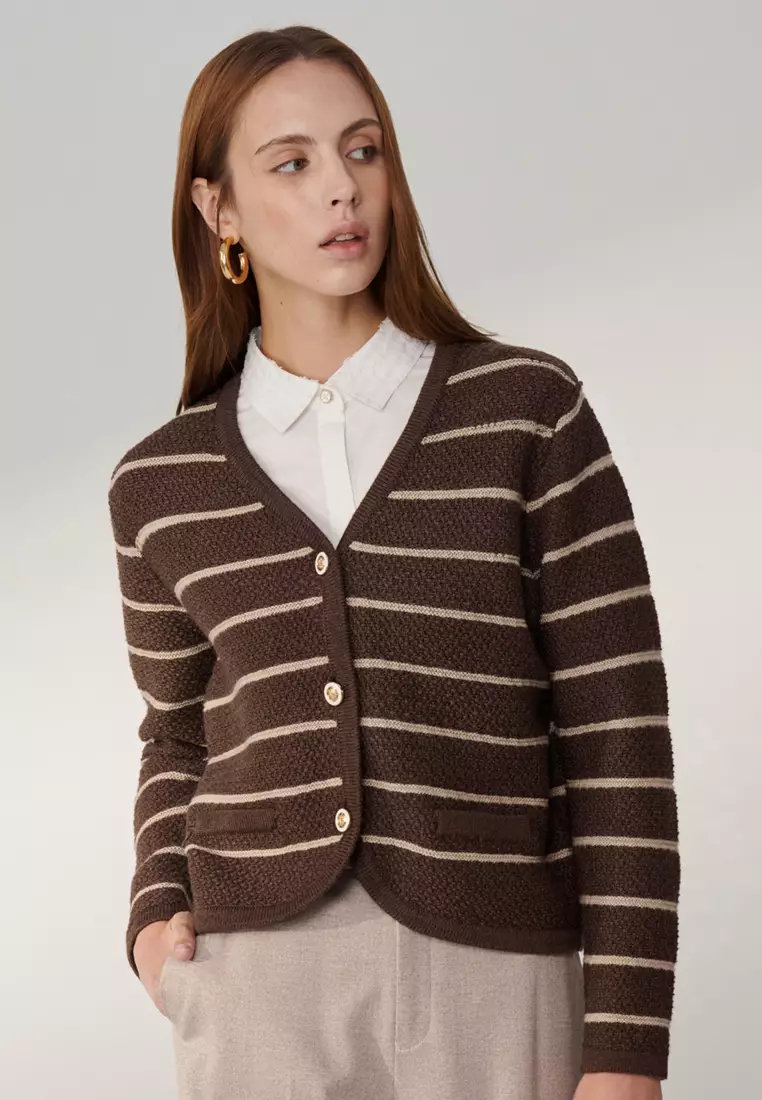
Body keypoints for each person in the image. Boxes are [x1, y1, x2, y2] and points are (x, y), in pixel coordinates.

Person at [107, 24, 680, 1100]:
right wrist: (152, 908)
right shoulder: (161, 483)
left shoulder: (528, 414)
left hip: (494, 968)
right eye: (292, 162)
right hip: (253, 983)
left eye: (362, 150)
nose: (342, 187)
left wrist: (626, 1048)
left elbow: (618, 735)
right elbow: (176, 729)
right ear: (218, 211)